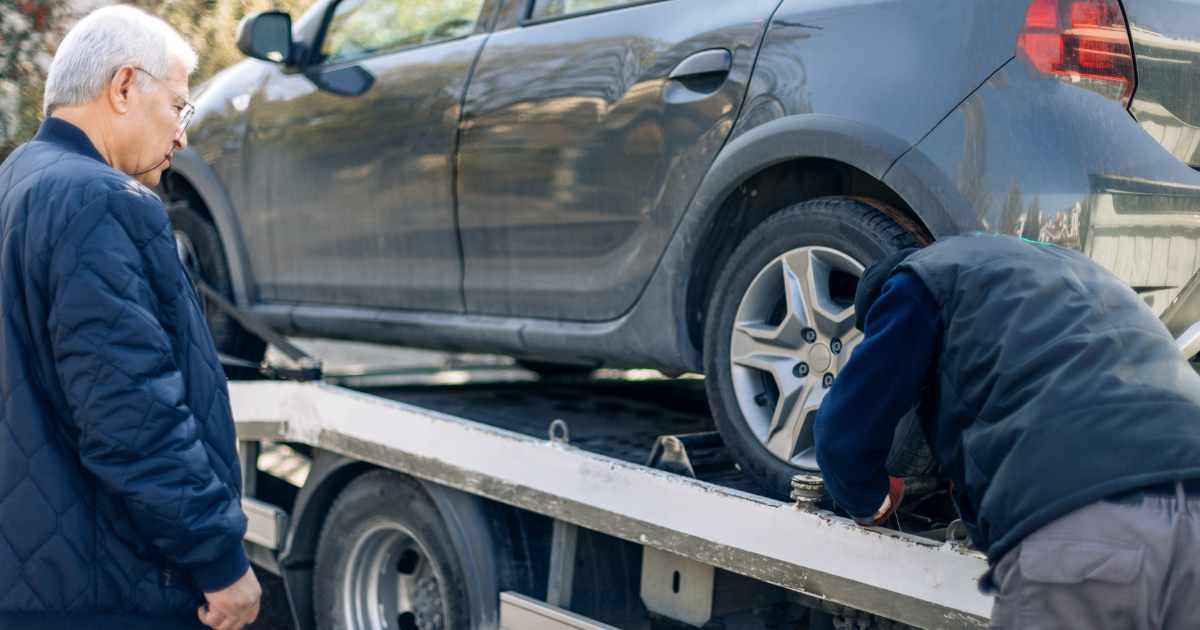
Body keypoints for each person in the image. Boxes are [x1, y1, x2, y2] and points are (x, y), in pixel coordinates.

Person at [0, 6, 259, 630]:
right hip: (105, 582)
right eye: (178, 106)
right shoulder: (101, 200)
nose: (182, 135)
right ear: (123, 88)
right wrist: (220, 560)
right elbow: (132, 415)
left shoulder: (16, 180)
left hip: (36, 572)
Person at [814, 233, 1200, 628]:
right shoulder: (1077, 274)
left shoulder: (917, 282)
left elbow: (842, 436)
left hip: (1080, 519)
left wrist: (869, 499)